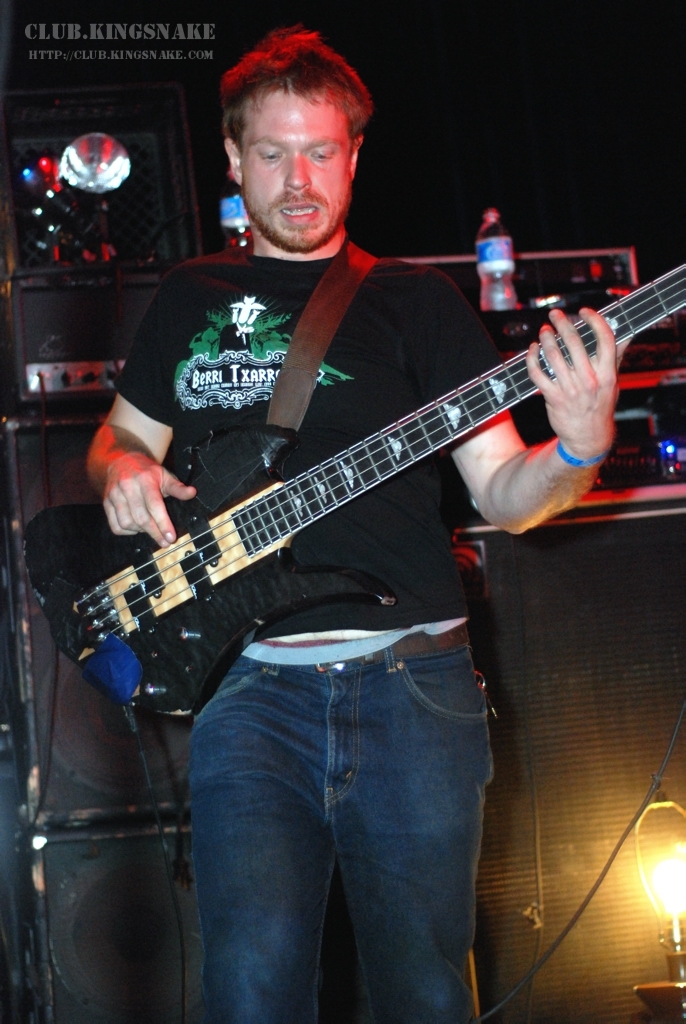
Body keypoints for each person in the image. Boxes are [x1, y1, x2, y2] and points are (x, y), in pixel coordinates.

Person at [87, 26, 622, 1024]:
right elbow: (119, 438)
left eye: (321, 152)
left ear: (354, 156)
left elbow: (506, 492)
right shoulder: (189, 296)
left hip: (410, 690)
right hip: (246, 693)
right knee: (250, 994)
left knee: (424, 994)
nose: (299, 182)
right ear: (233, 157)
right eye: (273, 154)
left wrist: (579, 448)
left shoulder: (418, 302)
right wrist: (121, 468)